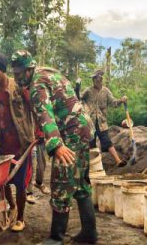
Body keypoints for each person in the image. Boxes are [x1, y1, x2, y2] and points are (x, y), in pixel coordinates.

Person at [11, 50, 97, 244]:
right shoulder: (48, 72)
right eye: (14, 73)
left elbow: (45, 114)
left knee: (60, 184)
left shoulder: (36, 86)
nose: (16, 78)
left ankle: (56, 238)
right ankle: (90, 233)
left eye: (19, 74)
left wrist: (56, 145)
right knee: (81, 183)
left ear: (29, 70)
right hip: (83, 129)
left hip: (71, 133)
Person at [0, 53, 34, 232]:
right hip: (4, 144)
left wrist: (41, 131)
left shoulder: (18, 89)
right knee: (1, 180)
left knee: (20, 183)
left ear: (4, 71)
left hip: (21, 143)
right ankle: (12, 206)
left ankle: (20, 218)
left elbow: (34, 107)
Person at [79, 69, 127, 167]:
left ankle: (118, 161)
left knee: (107, 141)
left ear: (101, 79)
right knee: (91, 144)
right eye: (94, 79)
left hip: (102, 123)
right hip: (90, 122)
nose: (96, 80)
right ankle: (89, 167)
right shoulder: (88, 91)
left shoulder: (106, 91)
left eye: (97, 78)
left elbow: (113, 103)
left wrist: (121, 100)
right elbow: (79, 98)